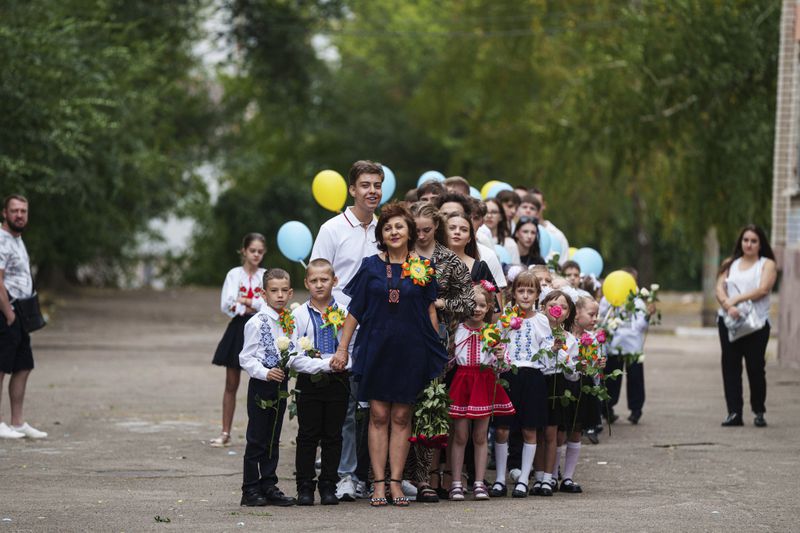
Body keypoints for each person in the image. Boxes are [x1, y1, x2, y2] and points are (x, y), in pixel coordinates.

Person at [331, 202, 448, 507]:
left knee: (401, 415)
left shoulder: (424, 267)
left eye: (399, 226)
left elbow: (429, 312)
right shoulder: (371, 265)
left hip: (411, 351)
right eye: (388, 227)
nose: (393, 231)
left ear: (409, 230)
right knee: (378, 414)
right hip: (376, 348)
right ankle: (378, 483)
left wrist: (436, 353)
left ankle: (396, 482)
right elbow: (355, 311)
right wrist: (343, 348)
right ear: (382, 233)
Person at [310, 160, 383, 501]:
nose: (372, 191)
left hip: (379, 329)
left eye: (377, 185)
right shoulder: (332, 229)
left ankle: (375, 476)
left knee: (375, 407)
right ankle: (344, 474)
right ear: (352, 189)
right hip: (340, 328)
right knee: (345, 408)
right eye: (365, 185)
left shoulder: (386, 229)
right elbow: (318, 280)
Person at [289, 258, 350, 506]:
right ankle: (304, 487)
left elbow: (353, 349)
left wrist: (344, 361)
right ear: (306, 283)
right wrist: (325, 364)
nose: (319, 285)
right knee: (307, 435)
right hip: (309, 382)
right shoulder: (298, 314)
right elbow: (293, 356)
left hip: (338, 381)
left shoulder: (345, 314)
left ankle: (328, 486)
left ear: (334, 281)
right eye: (313, 280)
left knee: (333, 436)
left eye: (324, 280)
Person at [447, 284, 514, 501]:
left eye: (482, 305)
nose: (477, 309)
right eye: (473, 304)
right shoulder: (457, 330)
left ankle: (479, 482)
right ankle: (456, 483)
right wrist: (448, 353)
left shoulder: (492, 332)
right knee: (460, 435)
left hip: (484, 384)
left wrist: (500, 356)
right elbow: (449, 362)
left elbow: (503, 367)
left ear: (489, 308)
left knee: (480, 436)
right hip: (462, 381)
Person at [238, 268, 297, 507]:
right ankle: (250, 488)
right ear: (263, 293)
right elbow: (246, 358)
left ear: (291, 292)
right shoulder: (256, 322)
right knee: (257, 437)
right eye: (274, 291)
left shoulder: (288, 320)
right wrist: (264, 372)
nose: (280, 295)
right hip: (261, 386)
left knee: (273, 436)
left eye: (284, 290)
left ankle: (269, 484)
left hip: (280, 384)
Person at [491, 271, 550, 498]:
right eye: (521, 290)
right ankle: (499, 479)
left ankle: (524, 478)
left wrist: (552, 352)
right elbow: (497, 341)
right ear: (513, 293)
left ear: (536, 295)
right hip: (509, 374)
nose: (525, 295)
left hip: (533, 376)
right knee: (503, 428)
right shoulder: (506, 317)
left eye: (530, 291)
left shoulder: (541, 320)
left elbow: (545, 349)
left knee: (529, 428)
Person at [715, 224, 777, 428]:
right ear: (740, 242)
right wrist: (727, 305)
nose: (748, 244)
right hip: (729, 322)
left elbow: (763, 290)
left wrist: (736, 300)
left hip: (756, 324)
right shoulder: (729, 263)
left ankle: (759, 411)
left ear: (760, 244)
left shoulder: (766, 264)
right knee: (730, 366)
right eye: (745, 240)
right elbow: (719, 288)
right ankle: (734, 412)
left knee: (755, 367)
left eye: (753, 241)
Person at [210, 233, 267, 447]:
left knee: (261, 381)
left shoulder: (265, 275)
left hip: (260, 328)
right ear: (244, 251)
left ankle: (260, 433)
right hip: (238, 328)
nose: (256, 255)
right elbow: (227, 304)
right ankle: (225, 432)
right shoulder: (234, 274)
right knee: (231, 383)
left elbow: (267, 304)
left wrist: (246, 300)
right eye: (252, 250)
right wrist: (251, 303)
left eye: (260, 251)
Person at [0, 194, 47, 440]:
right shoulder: (1, 239)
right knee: (1, 366)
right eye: (15, 210)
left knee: (23, 365)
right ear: (4, 213)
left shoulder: (17, 239)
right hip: (6, 310)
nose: (19, 215)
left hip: (21, 312)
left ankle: (17, 422)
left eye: (23, 211)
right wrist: (7, 312)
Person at [533, 289, 578, 497]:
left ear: (568, 313)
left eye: (562, 306)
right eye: (551, 305)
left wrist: (565, 356)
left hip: (558, 384)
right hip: (539, 381)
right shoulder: (538, 333)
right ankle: (539, 475)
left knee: (552, 432)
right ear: (543, 308)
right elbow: (535, 360)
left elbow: (572, 375)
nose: (556, 309)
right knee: (538, 432)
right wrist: (550, 349)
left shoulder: (571, 340)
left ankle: (549, 477)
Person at [599, 267, 654, 425]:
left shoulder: (637, 301)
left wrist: (648, 316)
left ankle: (636, 409)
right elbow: (601, 320)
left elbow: (640, 326)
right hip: (613, 346)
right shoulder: (607, 299)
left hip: (632, 347)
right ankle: (607, 408)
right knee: (611, 379)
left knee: (635, 379)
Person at [436, 194, 507, 292]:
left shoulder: (481, 266)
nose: (457, 232)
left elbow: (493, 304)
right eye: (452, 227)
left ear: (470, 237)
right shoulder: (429, 261)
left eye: (464, 229)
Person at [530, 187, 569, 264]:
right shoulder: (517, 232)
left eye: (537, 205)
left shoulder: (557, 235)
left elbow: (563, 264)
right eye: (530, 205)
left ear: (544, 205)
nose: (533, 209)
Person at [481, 198, 520, 264]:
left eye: (494, 212)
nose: (489, 216)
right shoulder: (474, 241)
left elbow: (516, 271)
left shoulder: (510, 244)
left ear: (501, 217)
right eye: (486, 212)